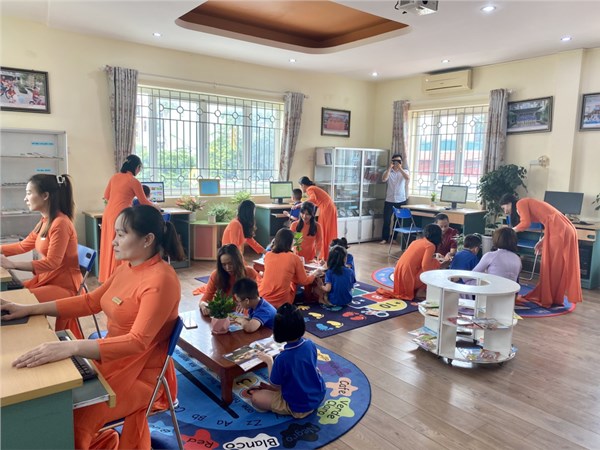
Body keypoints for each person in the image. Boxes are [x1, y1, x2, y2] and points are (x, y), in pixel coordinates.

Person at [1, 205, 185, 449]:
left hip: (140, 374)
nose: (113, 241)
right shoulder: (126, 268)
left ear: (147, 239)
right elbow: (90, 301)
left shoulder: (162, 280)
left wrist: (73, 347)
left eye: (121, 235)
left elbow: (137, 342)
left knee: (71, 420)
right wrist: (29, 309)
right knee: (52, 401)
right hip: (110, 359)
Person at [0, 174, 83, 338]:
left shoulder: (60, 223)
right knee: (10, 299)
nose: (25, 198)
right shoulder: (45, 221)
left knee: (16, 303)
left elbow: (52, 263)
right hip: (49, 280)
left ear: (45, 195)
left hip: (65, 287)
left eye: (29, 193)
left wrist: (12, 264)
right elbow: (23, 245)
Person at [500, 194, 582, 307]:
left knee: (551, 265)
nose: (505, 211)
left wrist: (508, 231)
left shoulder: (520, 203)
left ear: (509, 203)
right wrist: (542, 241)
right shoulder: (526, 203)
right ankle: (554, 297)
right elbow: (549, 222)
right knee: (557, 265)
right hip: (563, 227)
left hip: (559, 229)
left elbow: (525, 223)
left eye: (504, 207)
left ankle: (548, 297)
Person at [250, 303, 326, 418]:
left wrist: (269, 361)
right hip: (319, 395)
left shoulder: (282, 358)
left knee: (256, 398)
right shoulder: (310, 344)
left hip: (300, 407)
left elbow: (274, 384)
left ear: (278, 331)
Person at [99, 154, 154, 283]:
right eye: (140, 168)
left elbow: (106, 196)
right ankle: (119, 276)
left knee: (110, 243)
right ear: (136, 167)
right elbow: (144, 201)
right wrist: (156, 207)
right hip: (122, 215)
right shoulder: (133, 181)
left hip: (108, 214)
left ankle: (107, 276)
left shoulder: (114, 177)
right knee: (122, 244)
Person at [259, 228, 322, 309]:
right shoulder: (294, 258)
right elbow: (304, 281)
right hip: (282, 302)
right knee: (294, 281)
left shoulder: (268, 255)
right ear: (290, 242)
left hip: (262, 297)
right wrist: (315, 273)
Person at [199, 244, 259, 315]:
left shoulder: (250, 272)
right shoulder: (216, 275)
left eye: (231, 263)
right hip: (221, 313)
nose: (228, 268)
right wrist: (203, 305)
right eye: (224, 264)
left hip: (243, 314)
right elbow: (204, 299)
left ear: (238, 261)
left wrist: (246, 304)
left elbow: (256, 298)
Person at [390, 223, 442, 300]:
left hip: (399, 279)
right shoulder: (430, 246)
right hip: (408, 280)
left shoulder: (416, 241)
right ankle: (421, 291)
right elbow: (425, 266)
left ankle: (418, 289)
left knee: (432, 262)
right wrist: (439, 264)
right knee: (435, 263)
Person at [299, 176, 338, 260]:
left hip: (326, 209)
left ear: (303, 185)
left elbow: (313, 199)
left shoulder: (310, 189)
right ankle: (327, 254)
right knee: (327, 230)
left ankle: (324, 255)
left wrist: (301, 204)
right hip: (329, 208)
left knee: (323, 230)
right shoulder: (314, 188)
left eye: (300, 186)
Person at [380, 154, 410, 244]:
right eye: (395, 161)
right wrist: (390, 167)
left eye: (399, 161)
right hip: (389, 200)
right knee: (387, 220)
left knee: (398, 220)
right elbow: (384, 179)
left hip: (400, 200)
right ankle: (385, 238)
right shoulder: (388, 171)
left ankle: (394, 238)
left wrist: (400, 168)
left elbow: (407, 178)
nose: (396, 163)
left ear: (401, 162)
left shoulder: (405, 171)